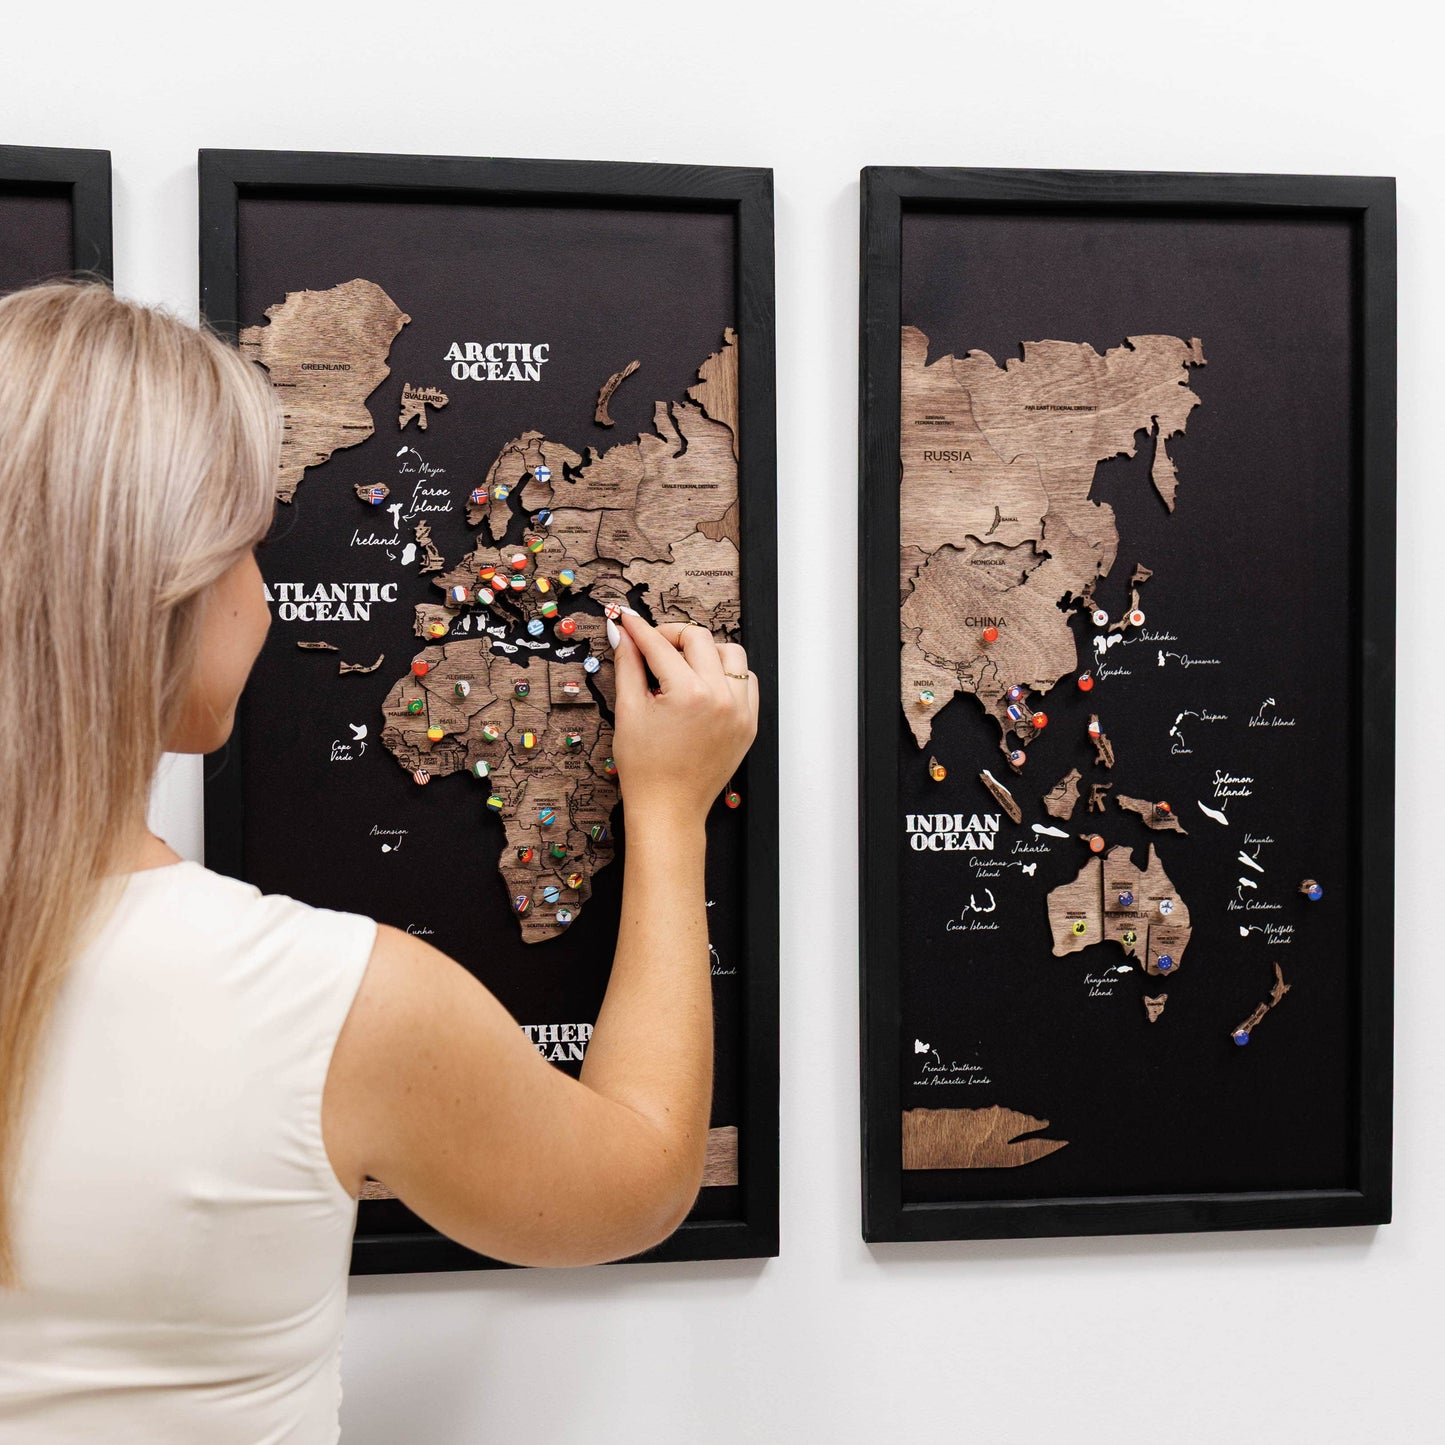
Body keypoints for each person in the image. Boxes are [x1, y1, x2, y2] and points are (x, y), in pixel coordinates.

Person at [0, 282, 757, 1441]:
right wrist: (666, 809)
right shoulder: (320, 998)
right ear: (162, 590)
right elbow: (640, 1175)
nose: (261, 593)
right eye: (250, 545)